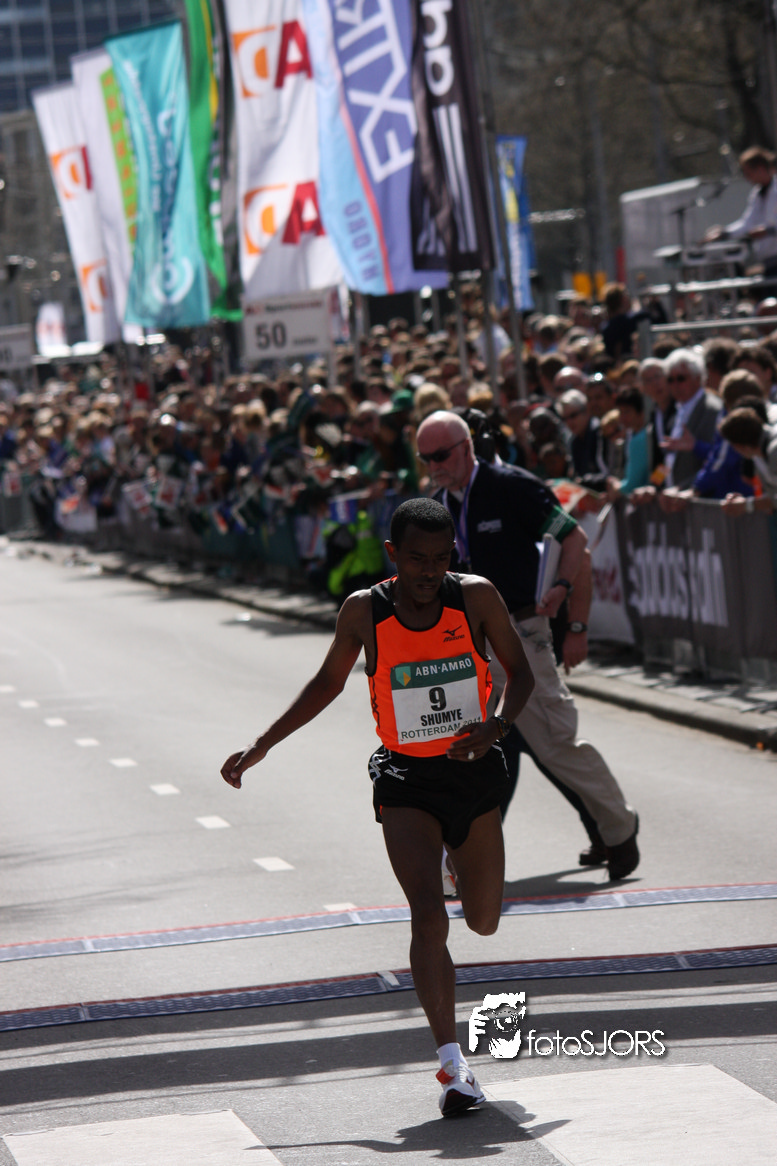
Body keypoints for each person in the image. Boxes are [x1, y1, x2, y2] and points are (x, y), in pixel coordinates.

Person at [221, 497, 535, 1117]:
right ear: (392, 554)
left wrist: (497, 726)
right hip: (405, 780)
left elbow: (520, 673)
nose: (428, 571)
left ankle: (453, 863)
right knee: (428, 917)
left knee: (483, 921)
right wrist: (262, 744)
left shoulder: (476, 597)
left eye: (440, 558)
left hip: (472, 774)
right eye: (416, 558)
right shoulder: (365, 610)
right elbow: (327, 682)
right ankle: (453, 1066)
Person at [415, 411, 640, 881]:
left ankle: (619, 828)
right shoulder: (435, 507)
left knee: (556, 746)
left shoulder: (512, 486)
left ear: (466, 447)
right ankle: (457, 866)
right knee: (462, 752)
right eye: (425, 458)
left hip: (520, 634)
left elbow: (574, 538)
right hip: (466, 648)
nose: (434, 465)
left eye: (441, 455)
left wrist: (563, 591)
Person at [704, 147, 777, 277]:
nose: (746, 178)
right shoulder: (757, 194)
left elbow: (769, 226)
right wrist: (724, 233)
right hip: (769, 260)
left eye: (748, 173)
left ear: (760, 168)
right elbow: (748, 223)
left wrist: (768, 231)